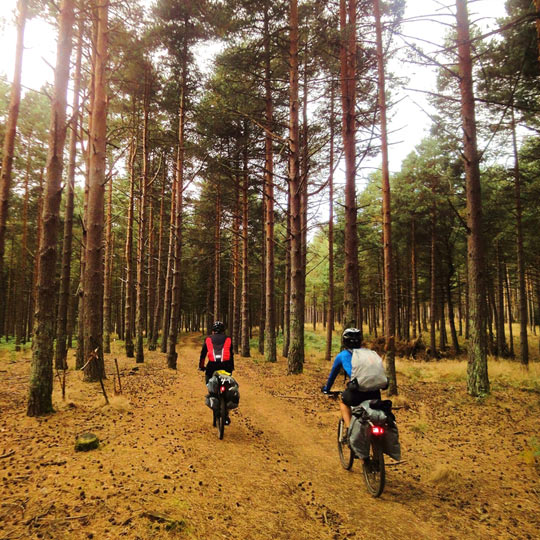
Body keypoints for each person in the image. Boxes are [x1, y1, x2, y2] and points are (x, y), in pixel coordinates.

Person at [321, 328, 388, 440]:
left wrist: (326, 389)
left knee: (343, 403)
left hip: (356, 392)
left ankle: (349, 431)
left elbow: (333, 375)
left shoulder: (342, 355)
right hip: (375, 392)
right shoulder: (369, 353)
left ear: (344, 341)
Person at [199, 321, 235, 424]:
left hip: (212, 366)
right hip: (226, 366)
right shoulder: (228, 339)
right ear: (224, 331)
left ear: (213, 331)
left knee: (209, 383)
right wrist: (231, 367)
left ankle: (212, 397)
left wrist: (201, 366)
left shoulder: (208, 339)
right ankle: (226, 412)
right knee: (227, 386)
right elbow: (231, 355)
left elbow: (203, 355)